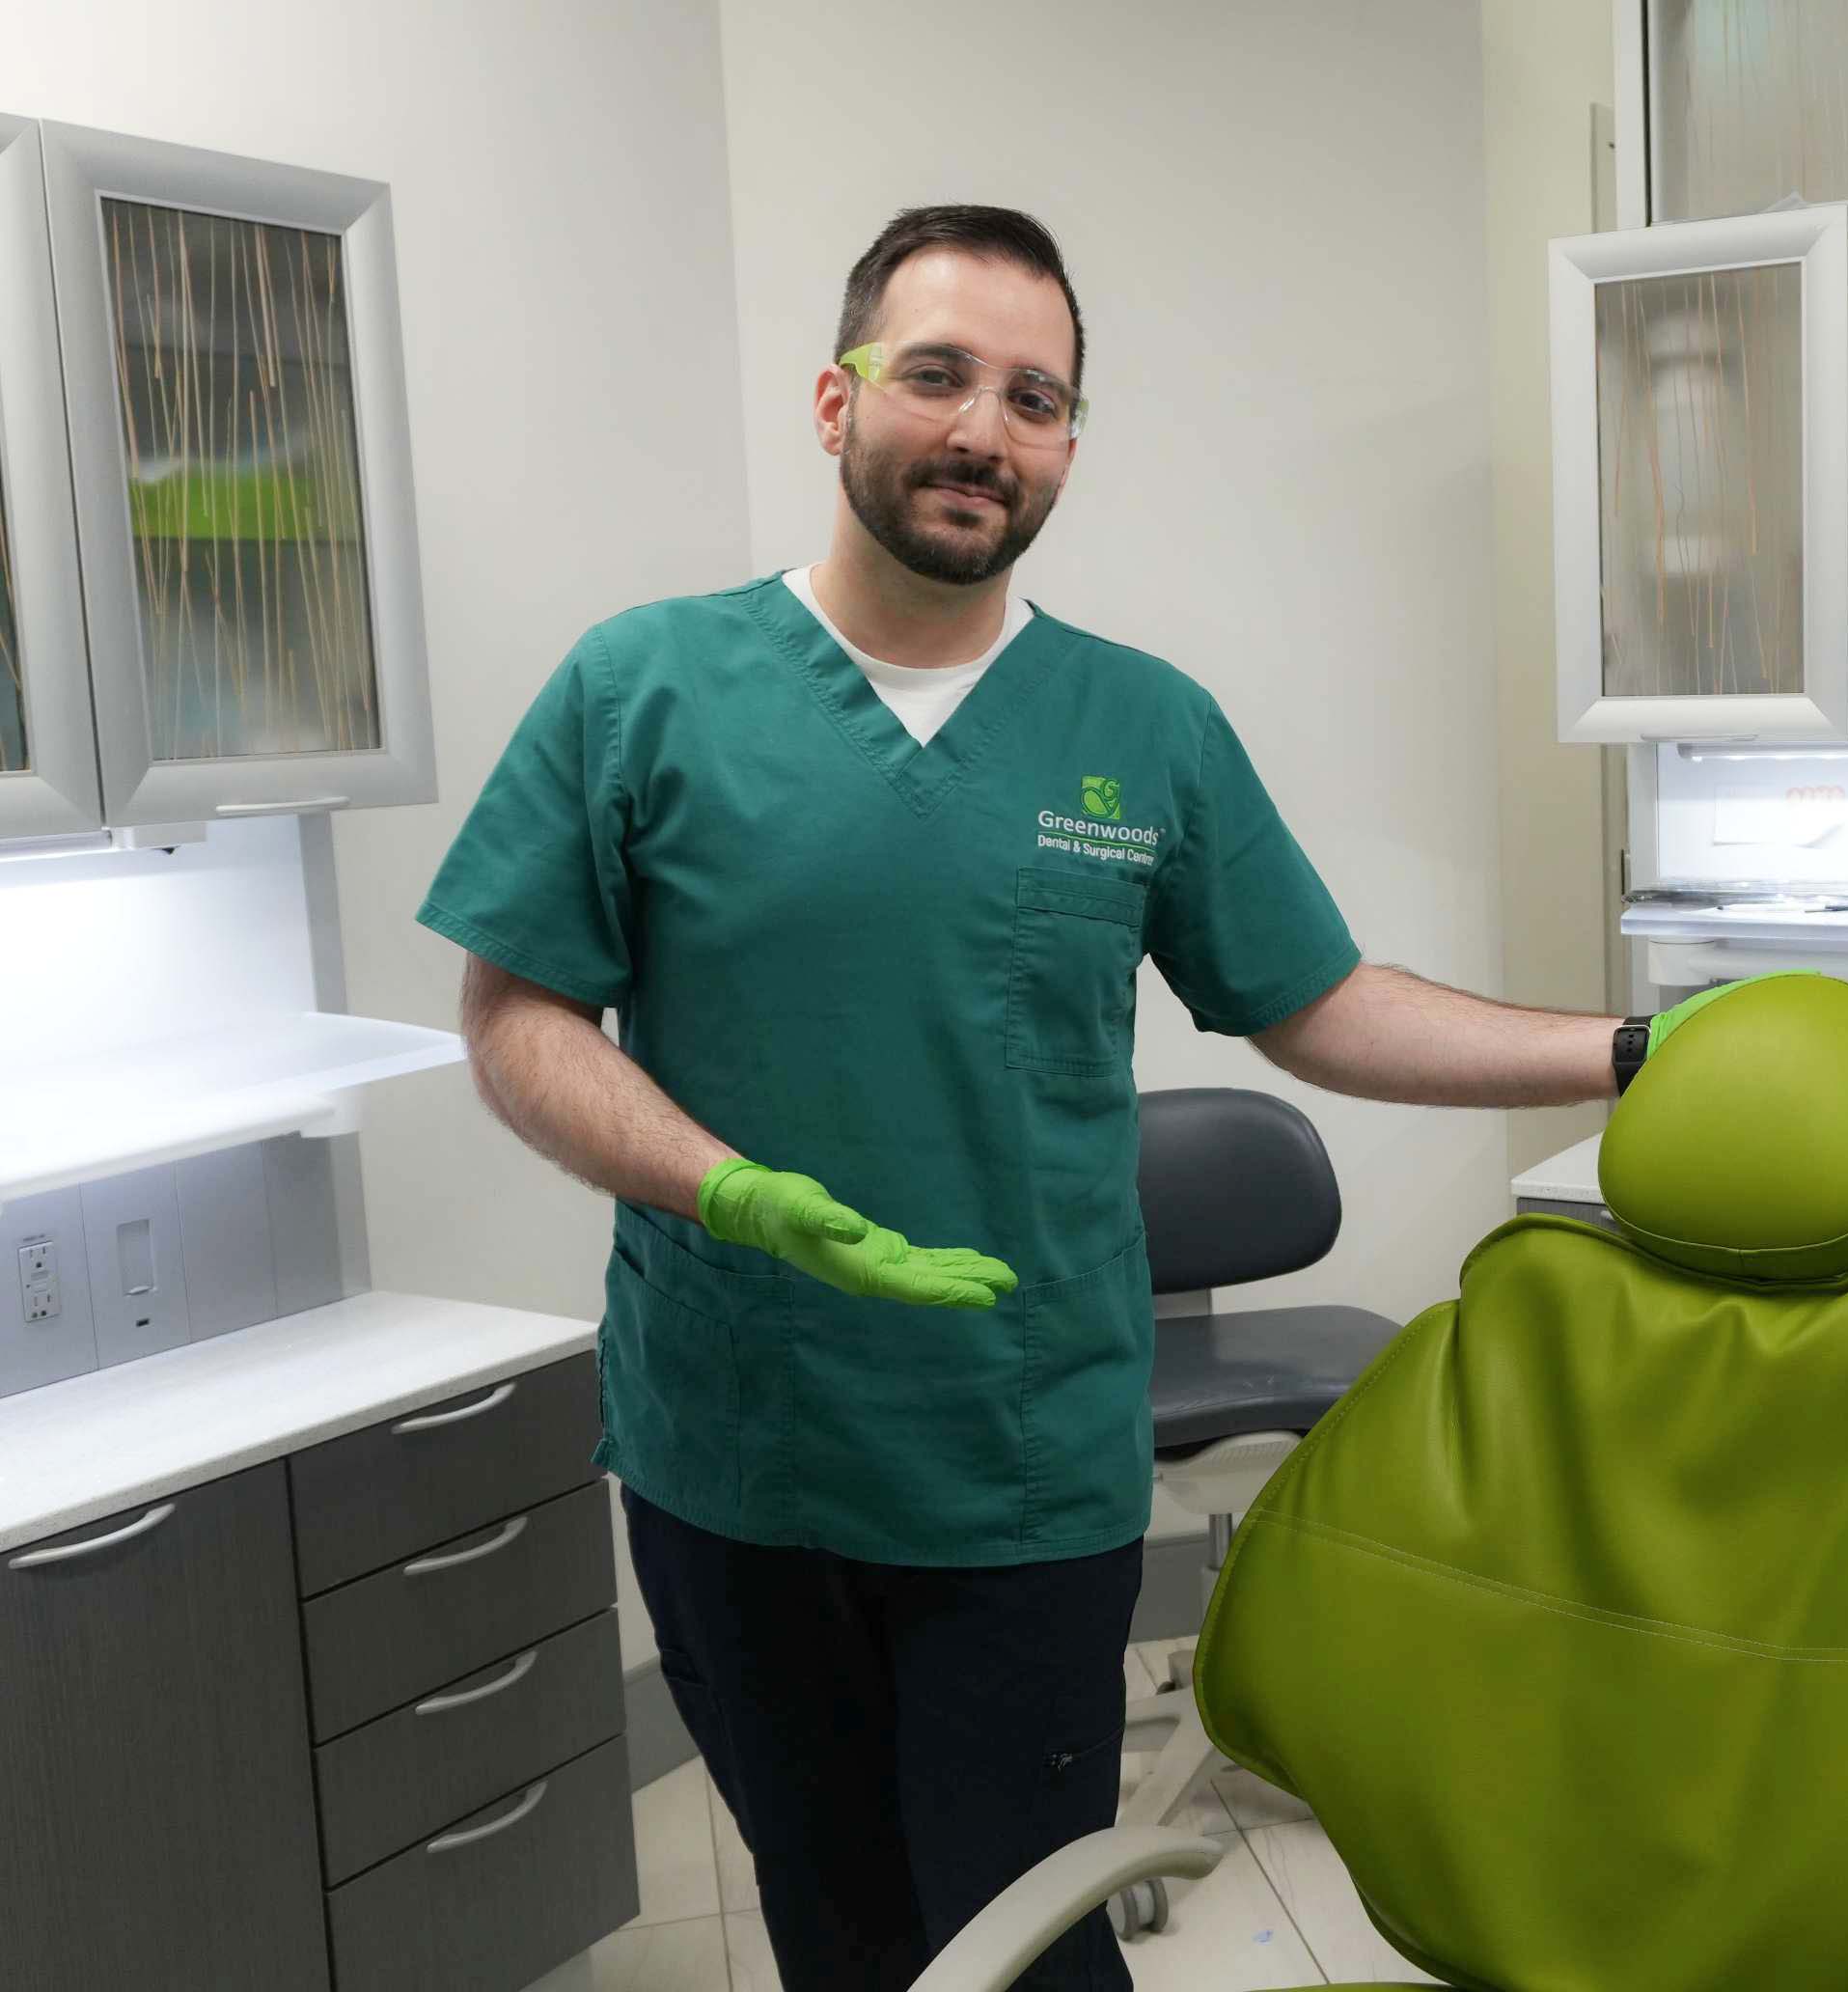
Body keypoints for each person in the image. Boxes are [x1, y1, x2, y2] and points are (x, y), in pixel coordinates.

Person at [419, 204, 1709, 1991]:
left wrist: (1634, 1054)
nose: (984, 432)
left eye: (1038, 398)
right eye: (938, 374)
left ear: (1069, 445)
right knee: (840, 1925)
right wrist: (723, 1188)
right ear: (834, 397)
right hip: (741, 1450)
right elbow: (517, 1015)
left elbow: (1320, 1007)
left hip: (1021, 1466)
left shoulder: (1142, 726)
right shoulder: (643, 689)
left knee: (1028, 1939)